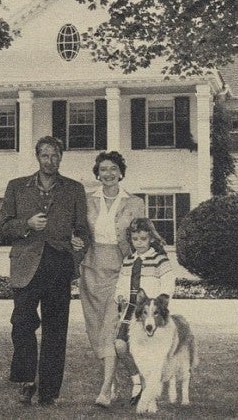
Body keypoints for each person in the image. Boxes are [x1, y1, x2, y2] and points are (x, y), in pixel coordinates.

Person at [0, 136, 90, 406]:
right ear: (37, 157)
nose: (50, 160)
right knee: (22, 323)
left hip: (58, 263)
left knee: (55, 330)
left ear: (61, 157)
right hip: (26, 264)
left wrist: (78, 248)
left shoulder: (74, 189)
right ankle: (27, 380)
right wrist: (26, 224)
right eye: (45, 155)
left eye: (55, 155)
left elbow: (82, 230)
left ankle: (48, 391)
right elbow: (1, 228)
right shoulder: (16, 187)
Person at [78, 151, 145, 407]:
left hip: (121, 270)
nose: (108, 174)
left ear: (120, 172)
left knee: (110, 327)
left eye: (113, 168)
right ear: (98, 173)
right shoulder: (86, 201)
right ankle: (114, 379)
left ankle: (106, 389)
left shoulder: (135, 202)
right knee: (95, 328)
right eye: (103, 169)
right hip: (91, 268)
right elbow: (79, 231)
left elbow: (142, 237)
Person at [113, 217, 176, 406]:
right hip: (131, 311)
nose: (139, 243)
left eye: (143, 239)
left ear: (150, 239)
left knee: (149, 352)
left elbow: (168, 283)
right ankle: (136, 381)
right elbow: (120, 286)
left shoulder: (159, 259)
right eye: (135, 239)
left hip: (149, 311)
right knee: (119, 346)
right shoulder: (128, 260)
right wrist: (120, 297)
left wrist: (158, 302)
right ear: (130, 240)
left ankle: (150, 388)